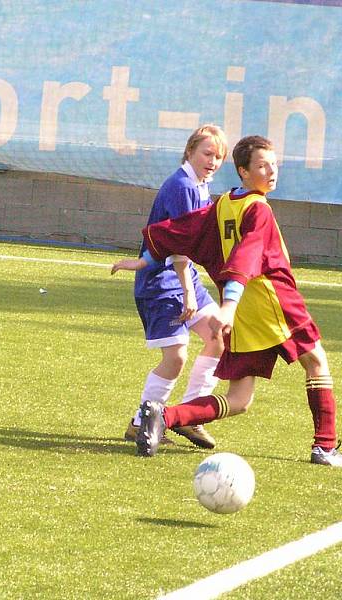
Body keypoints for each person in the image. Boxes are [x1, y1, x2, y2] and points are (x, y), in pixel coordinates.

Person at [112, 135, 342, 467]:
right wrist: (228, 304)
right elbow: (247, 255)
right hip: (272, 300)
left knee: (240, 399)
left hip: (244, 311)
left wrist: (146, 259)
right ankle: (325, 447)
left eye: (274, 164)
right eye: (261, 165)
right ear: (243, 171)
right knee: (316, 360)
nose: (271, 171)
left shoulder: (226, 203)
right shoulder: (258, 209)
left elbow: (180, 230)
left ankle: (162, 415)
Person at [118, 125, 228, 449]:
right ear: (190, 151)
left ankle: (190, 415)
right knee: (176, 357)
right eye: (207, 153)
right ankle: (141, 422)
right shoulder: (181, 186)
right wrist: (189, 293)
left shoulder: (201, 184)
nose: (212, 161)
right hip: (161, 284)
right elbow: (180, 247)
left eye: (219, 156)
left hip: (184, 278)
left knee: (218, 337)